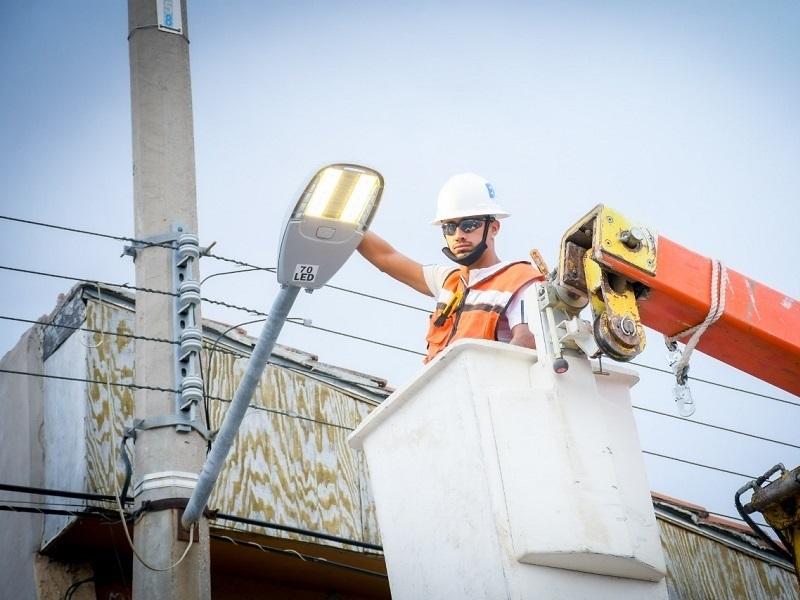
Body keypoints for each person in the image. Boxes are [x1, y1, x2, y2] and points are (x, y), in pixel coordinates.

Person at [357, 172, 544, 363]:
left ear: (494, 228)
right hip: (448, 386)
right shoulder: (450, 281)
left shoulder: (519, 280)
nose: (459, 235)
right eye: (450, 228)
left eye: (469, 225)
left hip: (484, 386)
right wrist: (347, 222)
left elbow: (526, 341)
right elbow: (387, 258)